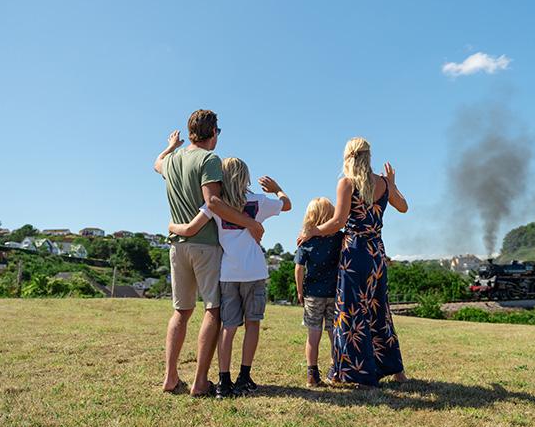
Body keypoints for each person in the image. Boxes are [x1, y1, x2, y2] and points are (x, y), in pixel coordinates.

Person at [153, 109, 264, 397]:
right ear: (214, 132)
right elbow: (213, 201)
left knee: (181, 311)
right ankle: (200, 381)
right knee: (212, 310)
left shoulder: (173, 161)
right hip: (205, 245)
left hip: (177, 245)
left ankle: (170, 377)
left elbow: (157, 164)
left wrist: (171, 147)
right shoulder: (209, 159)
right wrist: (250, 223)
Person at [168, 157, 291, 399]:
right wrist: (277, 189)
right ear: (245, 177)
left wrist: (172, 227)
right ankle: (244, 377)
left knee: (228, 327)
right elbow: (286, 205)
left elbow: (191, 229)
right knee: (252, 324)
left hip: (228, 273)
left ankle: (224, 381)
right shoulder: (258, 201)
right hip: (254, 271)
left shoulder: (216, 205)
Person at [299, 137, 409, 387]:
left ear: (348, 156)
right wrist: (392, 184)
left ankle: (357, 374)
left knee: (351, 312)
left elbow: (338, 222)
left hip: (354, 254)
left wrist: (313, 231)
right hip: (377, 254)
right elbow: (403, 207)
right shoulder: (382, 183)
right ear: (369, 156)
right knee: (380, 310)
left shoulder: (346, 184)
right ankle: (396, 370)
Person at [294, 198, 344, 387]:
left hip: (313, 294)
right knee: (334, 334)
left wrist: (300, 291)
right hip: (335, 293)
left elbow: (299, 268)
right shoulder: (339, 238)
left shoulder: (306, 241)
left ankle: (312, 375)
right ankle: (335, 371)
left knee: (313, 336)